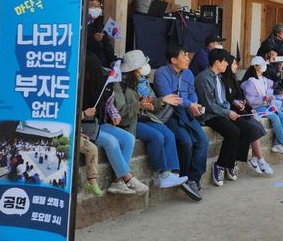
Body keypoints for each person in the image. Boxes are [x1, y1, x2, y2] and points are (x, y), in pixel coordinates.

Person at [114, 50, 189, 190]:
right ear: (135, 68)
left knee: (168, 134)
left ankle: (170, 173)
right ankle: (160, 174)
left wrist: (161, 101)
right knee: (156, 136)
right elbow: (120, 111)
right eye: (142, 64)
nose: (145, 66)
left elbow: (153, 103)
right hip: (130, 121)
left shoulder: (143, 82)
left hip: (147, 117)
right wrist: (139, 105)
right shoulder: (119, 84)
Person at [196, 50, 270, 187]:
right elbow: (209, 104)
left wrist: (229, 109)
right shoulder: (204, 78)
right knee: (233, 131)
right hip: (211, 115)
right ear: (217, 62)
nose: (227, 64)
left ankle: (230, 162)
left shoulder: (218, 77)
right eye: (225, 61)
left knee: (248, 129)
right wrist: (228, 112)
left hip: (223, 112)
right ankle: (220, 165)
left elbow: (223, 100)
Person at [83, 53, 148, 195]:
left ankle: (118, 181)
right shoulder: (77, 86)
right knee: (111, 142)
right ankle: (127, 177)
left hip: (99, 123)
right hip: (84, 126)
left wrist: (114, 115)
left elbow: (109, 104)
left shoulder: (103, 85)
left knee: (128, 138)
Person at [153, 44, 208, 200]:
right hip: (169, 113)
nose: (187, 58)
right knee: (186, 141)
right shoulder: (161, 73)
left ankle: (193, 179)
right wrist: (189, 104)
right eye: (184, 55)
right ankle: (182, 176)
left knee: (203, 141)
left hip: (186, 112)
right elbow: (169, 98)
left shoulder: (189, 73)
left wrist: (195, 104)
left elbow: (192, 93)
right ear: (173, 60)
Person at [220, 53, 273, 176]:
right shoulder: (223, 80)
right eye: (233, 63)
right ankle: (260, 159)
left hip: (243, 112)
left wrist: (246, 107)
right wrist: (237, 103)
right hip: (232, 113)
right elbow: (227, 100)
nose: (235, 66)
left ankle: (255, 159)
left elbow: (241, 98)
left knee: (259, 128)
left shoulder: (234, 79)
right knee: (253, 129)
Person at [240, 56, 283, 154]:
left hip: (266, 105)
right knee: (274, 117)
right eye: (262, 65)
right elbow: (251, 100)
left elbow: (274, 85)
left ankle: (277, 144)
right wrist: (264, 98)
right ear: (256, 67)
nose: (264, 67)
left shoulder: (263, 79)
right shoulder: (250, 82)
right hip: (256, 107)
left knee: (282, 116)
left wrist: (278, 94)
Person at [257, 24, 283, 89]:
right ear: (277, 33)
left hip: (275, 60)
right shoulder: (269, 42)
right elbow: (271, 57)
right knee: (277, 63)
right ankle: (277, 83)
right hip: (264, 61)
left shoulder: (281, 42)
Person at [86, 0, 116, 67]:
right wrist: (93, 38)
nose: (96, 9)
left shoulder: (99, 22)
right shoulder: (78, 21)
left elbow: (106, 44)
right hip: (88, 62)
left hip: (102, 62)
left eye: (98, 6)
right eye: (92, 6)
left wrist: (113, 60)